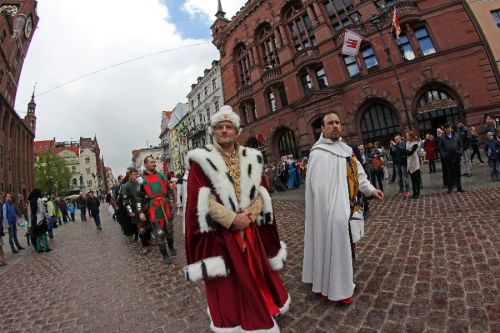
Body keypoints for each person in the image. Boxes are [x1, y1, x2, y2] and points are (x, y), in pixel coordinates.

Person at [184, 105, 290, 331]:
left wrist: (250, 215)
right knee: (229, 282)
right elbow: (200, 199)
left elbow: (262, 191)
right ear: (213, 131)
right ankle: (233, 319)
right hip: (221, 234)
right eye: (220, 127)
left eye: (228, 127)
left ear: (236, 131)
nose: (224, 131)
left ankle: (262, 306)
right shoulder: (201, 160)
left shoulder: (252, 157)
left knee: (255, 273)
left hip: (250, 230)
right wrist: (232, 219)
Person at [302, 112, 383, 305]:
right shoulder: (319, 154)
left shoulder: (347, 150)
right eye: (330, 123)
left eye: (338, 122)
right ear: (322, 129)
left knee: (347, 248)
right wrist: (333, 212)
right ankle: (338, 290)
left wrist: (371, 190)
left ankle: (339, 282)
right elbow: (318, 190)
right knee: (336, 248)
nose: (335, 126)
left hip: (349, 207)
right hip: (331, 213)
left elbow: (359, 175)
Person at [141, 156, 176, 264]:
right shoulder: (141, 180)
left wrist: (171, 204)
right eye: (151, 162)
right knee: (160, 233)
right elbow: (138, 198)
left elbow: (169, 192)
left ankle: (171, 247)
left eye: (154, 162)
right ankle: (165, 255)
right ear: (145, 164)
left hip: (165, 206)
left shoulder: (162, 175)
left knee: (169, 230)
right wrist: (141, 212)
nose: (153, 164)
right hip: (153, 208)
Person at [122, 168, 151, 252]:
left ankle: (148, 240)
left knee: (149, 225)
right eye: (135, 174)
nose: (137, 176)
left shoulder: (141, 182)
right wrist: (130, 211)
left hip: (146, 206)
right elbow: (125, 200)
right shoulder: (126, 186)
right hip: (136, 209)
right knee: (141, 229)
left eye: (137, 174)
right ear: (130, 175)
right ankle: (144, 245)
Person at [439, 123, 464, 193]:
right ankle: (450, 188)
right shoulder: (442, 137)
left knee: (458, 173)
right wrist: (444, 155)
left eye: (449, 128)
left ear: (451, 128)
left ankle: (459, 187)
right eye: (446, 128)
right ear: (445, 129)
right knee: (449, 174)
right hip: (448, 158)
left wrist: (460, 152)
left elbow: (461, 145)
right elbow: (440, 148)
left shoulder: (456, 135)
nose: (448, 129)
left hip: (456, 156)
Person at [406, 131, 421, 199]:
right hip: (409, 163)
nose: (406, 137)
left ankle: (418, 193)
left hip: (415, 163)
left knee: (417, 180)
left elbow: (410, 152)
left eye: (407, 136)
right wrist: (407, 152)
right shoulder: (407, 143)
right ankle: (414, 192)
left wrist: (407, 152)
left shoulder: (415, 143)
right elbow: (406, 152)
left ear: (411, 136)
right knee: (412, 180)